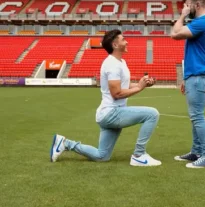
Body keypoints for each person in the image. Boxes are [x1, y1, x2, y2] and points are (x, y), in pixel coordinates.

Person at [50, 29, 161, 167]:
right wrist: (139, 88)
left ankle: (65, 143)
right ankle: (139, 155)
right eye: (123, 39)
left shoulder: (121, 62)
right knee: (152, 114)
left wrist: (141, 84)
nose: (127, 41)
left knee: (102, 156)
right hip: (111, 113)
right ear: (115, 45)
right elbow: (117, 94)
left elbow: (124, 85)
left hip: (109, 114)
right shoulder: (112, 64)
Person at [171, 0, 205, 168]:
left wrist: (182, 16)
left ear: (197, 5)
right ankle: (197, 151)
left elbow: (174, 34)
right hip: (194, 75)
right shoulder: (199, 23)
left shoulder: (202, 22)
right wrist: (185, 78)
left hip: (199, 76)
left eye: (187, 5)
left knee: (197, 116)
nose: (185, 8)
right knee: (195, 116)